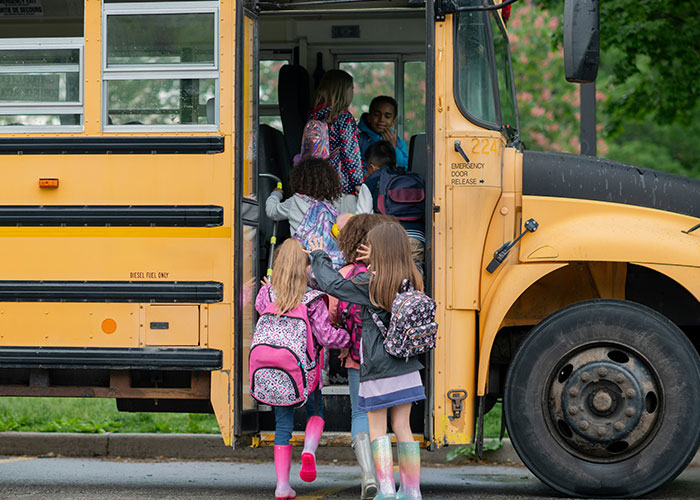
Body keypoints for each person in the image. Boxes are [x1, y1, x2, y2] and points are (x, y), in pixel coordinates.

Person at [308, 222, 425, 500]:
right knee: (403, 428)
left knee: (376, 428)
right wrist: (376, 258)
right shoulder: (413, 277)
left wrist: (319, 255)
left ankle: (385, 491)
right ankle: (411, 491)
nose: (366, 250)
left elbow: (333, 284)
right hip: (407, 365)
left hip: (378, 367)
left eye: (371, 246)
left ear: (381, 251)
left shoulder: (370, 283)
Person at [255, 238, 351, 500]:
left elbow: (260, 308)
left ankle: (282, 486)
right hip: (306, 372)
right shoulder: (312, 300)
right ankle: (309, 450)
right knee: (315, 412)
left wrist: (268, 289)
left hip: (275, 372)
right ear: (306, 267)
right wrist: (350, 338)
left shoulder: (266, 294)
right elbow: (328, 338)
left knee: (282, 425)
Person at [330, 213, 396, 499]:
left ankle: (367, 474)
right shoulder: (387, 273)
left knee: (359, 412)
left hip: (355, 355)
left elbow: (333, 314)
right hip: (387, 357)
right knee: (384, 416)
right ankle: (386, 480)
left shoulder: (344, 275)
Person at [358, 141, 425, 272]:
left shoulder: (370, 183)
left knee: (389, 283)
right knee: (413, 281)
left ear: (371, 167)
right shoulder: (413, 179)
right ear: (394, 163)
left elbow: (361, 219)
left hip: (387, 241)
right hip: (416, 238)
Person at [265, 157, 345, 267]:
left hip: (300, 258)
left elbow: (272, 212)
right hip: (324, 260)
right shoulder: (331, 206)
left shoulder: (295, 201)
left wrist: (275, 195)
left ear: (299, 179)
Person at [307, 69, 364, 211]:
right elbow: (350, 154)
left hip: (318, 184)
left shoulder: (314, 117)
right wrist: (358, 184)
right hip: (341, 186)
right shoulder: (344, 117)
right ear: (344, 91)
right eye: (352, 88)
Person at [358, 95, 408, 170]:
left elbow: (404, 168)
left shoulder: (399, 144)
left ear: (393, 122)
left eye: (387, 116)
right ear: (369, 117)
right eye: (377, 115)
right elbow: (355, 166)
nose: (381, 119)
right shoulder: (359, 140)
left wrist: (393, 147)